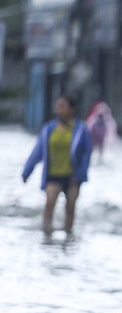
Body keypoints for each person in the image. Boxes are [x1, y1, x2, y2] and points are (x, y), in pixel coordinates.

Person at [22, 94, 93, 236]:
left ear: (72, 109)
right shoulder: (49, 129)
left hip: (73, 176)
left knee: (70, 207)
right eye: (58, 106)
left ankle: (68, 234)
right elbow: (38, 151)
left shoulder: (81, 130)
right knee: (49, 204)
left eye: (63, 106)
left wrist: (79, 174)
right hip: (53, 174)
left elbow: (87, 154)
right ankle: (46, 235)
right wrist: (27, 171)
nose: (59, 110)